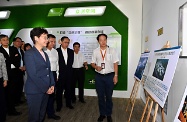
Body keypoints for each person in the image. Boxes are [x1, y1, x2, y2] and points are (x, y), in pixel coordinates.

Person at [24, 27, 55, 122]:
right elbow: (33, 75)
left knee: (41, 115)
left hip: (46, 89)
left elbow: (49, 71)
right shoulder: (29, 54)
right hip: (35, 91)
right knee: (34, 117)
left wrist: (52, 84)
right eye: (45, 37)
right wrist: (46, 88)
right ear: (36, 38)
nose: (47, 40)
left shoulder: (44, 54)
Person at [91, 34, 119, 122]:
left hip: (109, 76)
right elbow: (92, 63)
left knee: (109, 96)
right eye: (101, 40)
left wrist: (116, 76)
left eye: (104, 40)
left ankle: (109, 114)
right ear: (98, 41)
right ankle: (102, 114)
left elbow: (115, 64)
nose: (103, 42)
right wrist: (96, 67)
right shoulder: (95, 51)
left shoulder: (112, 50)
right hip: (99, 76)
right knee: (100, 96)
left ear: (107, 40)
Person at [0, 34, 22, 116]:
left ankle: (12, 110)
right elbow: (3, 64)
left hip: (15, 73)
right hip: (4, 74)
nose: (6, 41)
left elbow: (18, 59)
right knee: (4, 94)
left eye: (7, 39)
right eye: (4, 40)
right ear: (0, 41)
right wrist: (11, 59)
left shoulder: (13, 49)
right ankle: (4, 110)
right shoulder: (0, 50)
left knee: (13, 92)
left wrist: (8, 60)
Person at [44, 34, 61, 120]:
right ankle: (43, 113)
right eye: (51, 41)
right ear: (46, 41)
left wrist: (57, 75)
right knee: (44, 95)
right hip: (44, 75)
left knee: (52, 95)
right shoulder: (43, 51)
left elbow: (57, 64)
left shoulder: (55, 51)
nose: (53, 43)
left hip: (53, 74)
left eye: (54, 41)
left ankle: (51, 113)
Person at [56, 36, 74, 111]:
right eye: (65, 42)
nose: (67, 44)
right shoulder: (56, 51)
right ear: (61, 42)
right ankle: (59, 106)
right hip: (60, 75)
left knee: (69, 90)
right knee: (59, 91)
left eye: (68, 43)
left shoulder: (70, 51)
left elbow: (71, 63)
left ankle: (68, 104)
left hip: (69, 74)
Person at [13, 37, 25, 105]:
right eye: (18, 41)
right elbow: (11, 61)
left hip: (21, 71)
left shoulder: (21, 50)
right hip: (14, 71)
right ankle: (14, 101)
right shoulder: (11, 50)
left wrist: (24, 66)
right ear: (14, 42)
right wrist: (19, 67)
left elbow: (24, 60)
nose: (20, 43)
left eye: (20, 41)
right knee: (14, 87)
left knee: (20, 86)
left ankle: (18, 99)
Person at [0, 52, 8, 122]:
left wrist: (5, 79)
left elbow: (3, 67)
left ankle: (2, 117)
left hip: (0, 79)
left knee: (1, 100)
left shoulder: (0, 54)